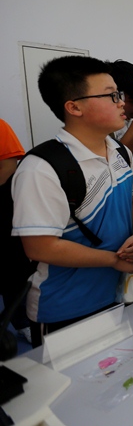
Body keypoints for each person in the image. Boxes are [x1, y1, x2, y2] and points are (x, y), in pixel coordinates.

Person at [11, 56, 133, 347]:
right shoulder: (41, 168)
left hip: (121, 291)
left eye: (119, 94)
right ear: (74, 107)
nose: (122, 103)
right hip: (66, 306)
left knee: (121, 367)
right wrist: (115, 260)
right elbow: (40, 247)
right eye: (112, 96)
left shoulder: (120, 151)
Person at [0, 119, 31, 341]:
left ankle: (23, 322)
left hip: (2, 204)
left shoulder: (0, 126)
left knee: (11, 265)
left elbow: (8, 166)